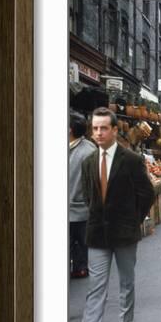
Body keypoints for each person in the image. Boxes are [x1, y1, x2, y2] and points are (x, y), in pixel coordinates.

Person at [70, 107, 155, 322]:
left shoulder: (131, 160)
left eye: (103, 128)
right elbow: (88, 195)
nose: (98, 132)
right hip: (97, 233)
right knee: (96, 287)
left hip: (125, 233)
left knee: (126, 281)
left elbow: (147, 194)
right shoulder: (87, 162)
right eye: (95, 128)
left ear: (115, 130)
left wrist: (134, 220)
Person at [69, 110, 97, 278]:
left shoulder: (88, 151)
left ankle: (80, 267)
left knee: (79, 241)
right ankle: (79, 267)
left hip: (80, 206)